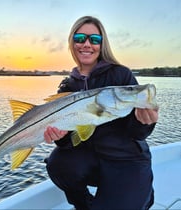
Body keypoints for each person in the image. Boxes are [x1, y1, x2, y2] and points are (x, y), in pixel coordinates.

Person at [44, 16, 159, 210]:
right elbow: (68, 142)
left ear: (101, 44)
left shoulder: (121, 75)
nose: (87, 44)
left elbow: (137, 134)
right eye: (80, 38)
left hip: (126, 160)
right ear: (72, 42)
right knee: (57, 164)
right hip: (92, 159)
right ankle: (84, 205)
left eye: (94, 39)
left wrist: (145, 122)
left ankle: (139, 193)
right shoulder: (67, 86)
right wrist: (59, 137)